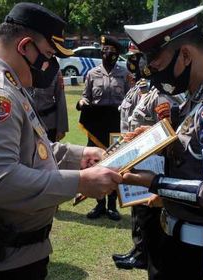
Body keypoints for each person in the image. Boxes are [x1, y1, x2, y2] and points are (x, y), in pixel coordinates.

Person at [0, 3, 121, 279]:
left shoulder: (8, 84)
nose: (51, 65)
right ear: (24, 47)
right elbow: (0, 181)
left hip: (8, 255)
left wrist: (79, 155)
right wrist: (81, 181)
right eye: (48, 55)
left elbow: (32, 149)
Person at [123, 5, 203, 279]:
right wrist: (154, 140)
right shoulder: (197, 98)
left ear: (185, 55)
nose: (158, 79)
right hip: (177, 241)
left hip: (198, 255)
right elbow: (195, 154)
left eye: (159, 69)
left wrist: (153, 183)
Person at [114, 45, 180, 269]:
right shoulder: (143, 89)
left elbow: (167, 130)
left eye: (138, 58)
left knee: (147, 211)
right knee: (138, 208)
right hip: (135, 156)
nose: (134, 63)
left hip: (150, 160)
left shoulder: (162, 95)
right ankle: (140, 249)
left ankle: (145, 252)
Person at [77, 35, 131, 221]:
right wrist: (82, 101)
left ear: (117, 55)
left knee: (115, 164)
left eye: (112, 52)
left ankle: (112, 205)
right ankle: (99, 204)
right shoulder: (92, 74)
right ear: (101, 52)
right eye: (105, 51)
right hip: (97, 126)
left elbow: (130, 100)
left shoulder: (124, 74)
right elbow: (86, 97)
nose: (108, 54)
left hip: (117, 126)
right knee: (96, 163)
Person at [33, 69, 69, 142]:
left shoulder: (55, 70)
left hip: (49, 124)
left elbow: (60, 99)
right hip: (28, 123)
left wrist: (61, 128)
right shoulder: (23, 66)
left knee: (51, 151)